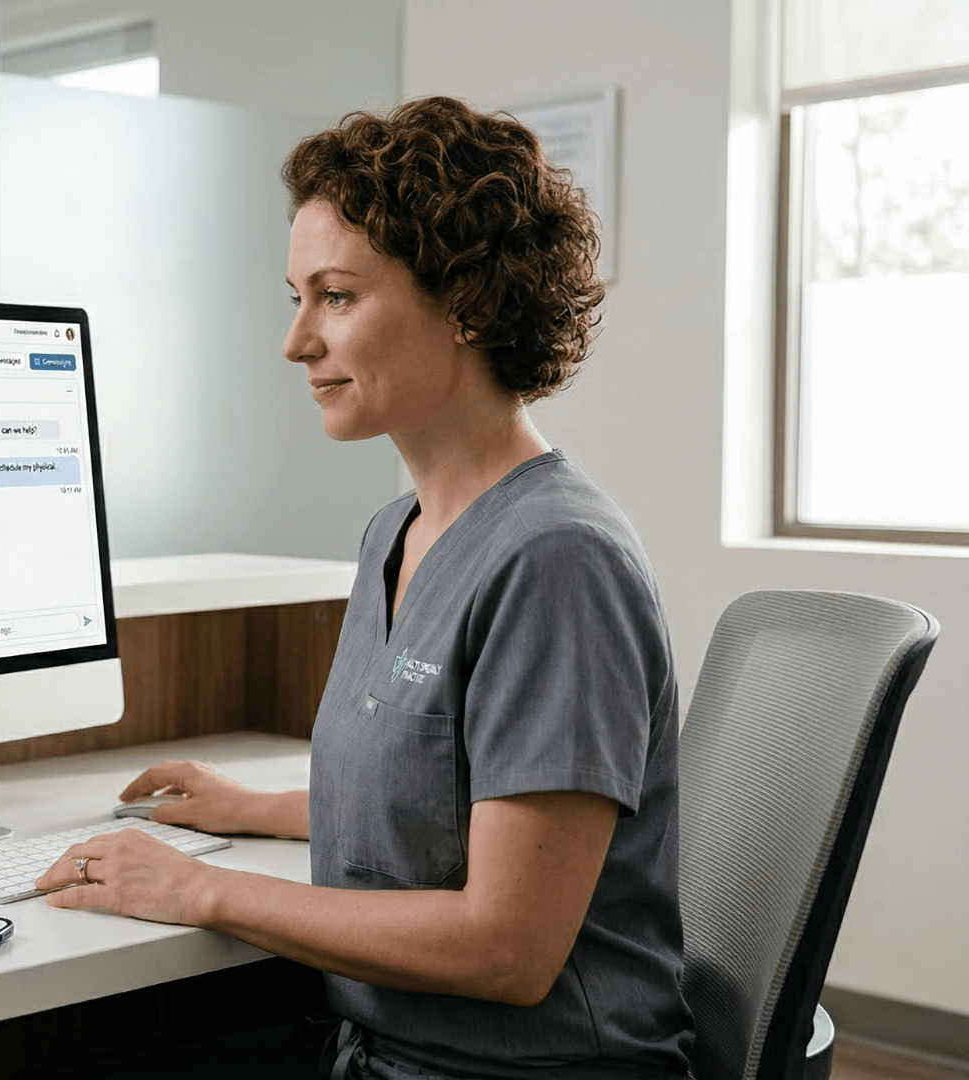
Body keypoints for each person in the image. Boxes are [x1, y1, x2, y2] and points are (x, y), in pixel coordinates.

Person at [35, 98, 693, 1079]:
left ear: (468, 302)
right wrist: (255, 808)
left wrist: (199, 890)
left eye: (336, 297)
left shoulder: (556, 561)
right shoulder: (397, 532)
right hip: (382, 1049)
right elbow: (445, 807)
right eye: (296, 298)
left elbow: (506, 949)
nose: (296, 341)